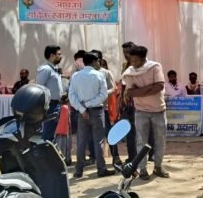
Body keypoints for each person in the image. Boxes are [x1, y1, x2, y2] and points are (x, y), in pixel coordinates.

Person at [122, 45, 169, 179]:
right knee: (141, 141)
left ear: (143, 58)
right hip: (140, 111)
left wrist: (139, 91)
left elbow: (159, 86)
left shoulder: (155, 67)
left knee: (160, 140)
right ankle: (142, 169)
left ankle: (158, 166)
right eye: (131, 60)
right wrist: (149, 88)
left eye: (136, 60)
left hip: (158, 110)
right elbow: (130, 92)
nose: (134, 63)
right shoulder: (129, 72)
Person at [69, 52, 111, 178]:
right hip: (96, 111)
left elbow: (72, 96)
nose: (99, 63)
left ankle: (78, 170)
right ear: (93, 62)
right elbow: (103, 95)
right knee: (99, 141)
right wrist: (89, 104)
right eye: (98, 61)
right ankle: (101, 169)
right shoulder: (99, 75)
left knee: (81, 141)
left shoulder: (76, 76)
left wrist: (82, 109)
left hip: (82, 113)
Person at [36, 45, 64, 142]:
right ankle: (44, 150)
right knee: (48, 133)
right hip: (50, 105)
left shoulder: (54, 68)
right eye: (59, 54)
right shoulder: (45, 69)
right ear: (52, 55)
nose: (61, 56)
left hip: (56, 104)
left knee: (52, 132)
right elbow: (39, 87)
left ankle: (48, 149)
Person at [55, 95, 73, 165]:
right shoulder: (66, 108)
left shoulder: (61, 108)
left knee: (60, 146)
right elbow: (67, 120)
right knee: (66, 146)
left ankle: (61, 160)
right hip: (65, 130)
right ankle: (66, 160)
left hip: (60, 130)